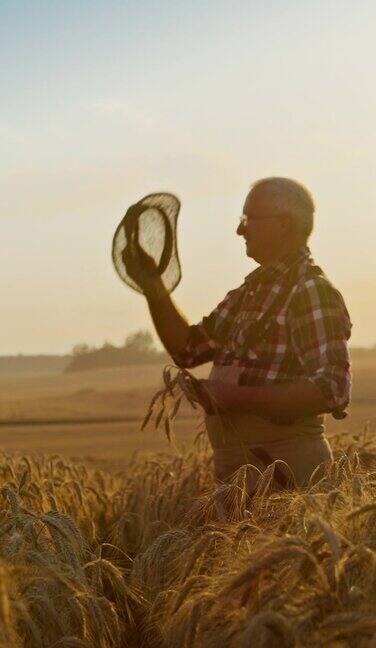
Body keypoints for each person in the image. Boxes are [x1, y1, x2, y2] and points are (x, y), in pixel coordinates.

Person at [124, 177, 352, 491]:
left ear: (284, 224)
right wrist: (153, 286)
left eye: (248, 219)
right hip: (238, 473)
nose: (240, 230)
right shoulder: (248, 293)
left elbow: (332, 389)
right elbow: (188, 350)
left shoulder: (311, 291)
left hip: (291, 475)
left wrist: (232, 397)